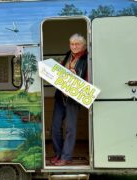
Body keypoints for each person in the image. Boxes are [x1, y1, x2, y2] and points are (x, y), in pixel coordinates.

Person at [50, 34, 88, 166]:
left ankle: (66, 157)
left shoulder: (87, 58)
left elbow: (88, 80)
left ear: (83, 45)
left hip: (73, 98)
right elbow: (59, 73)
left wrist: (76, 76)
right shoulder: (67, 56)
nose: (74, 46)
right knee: (55, 127)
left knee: (70, 128)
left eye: (77, 44)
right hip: (60, 96)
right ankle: (59, 153)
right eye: (72, 44)